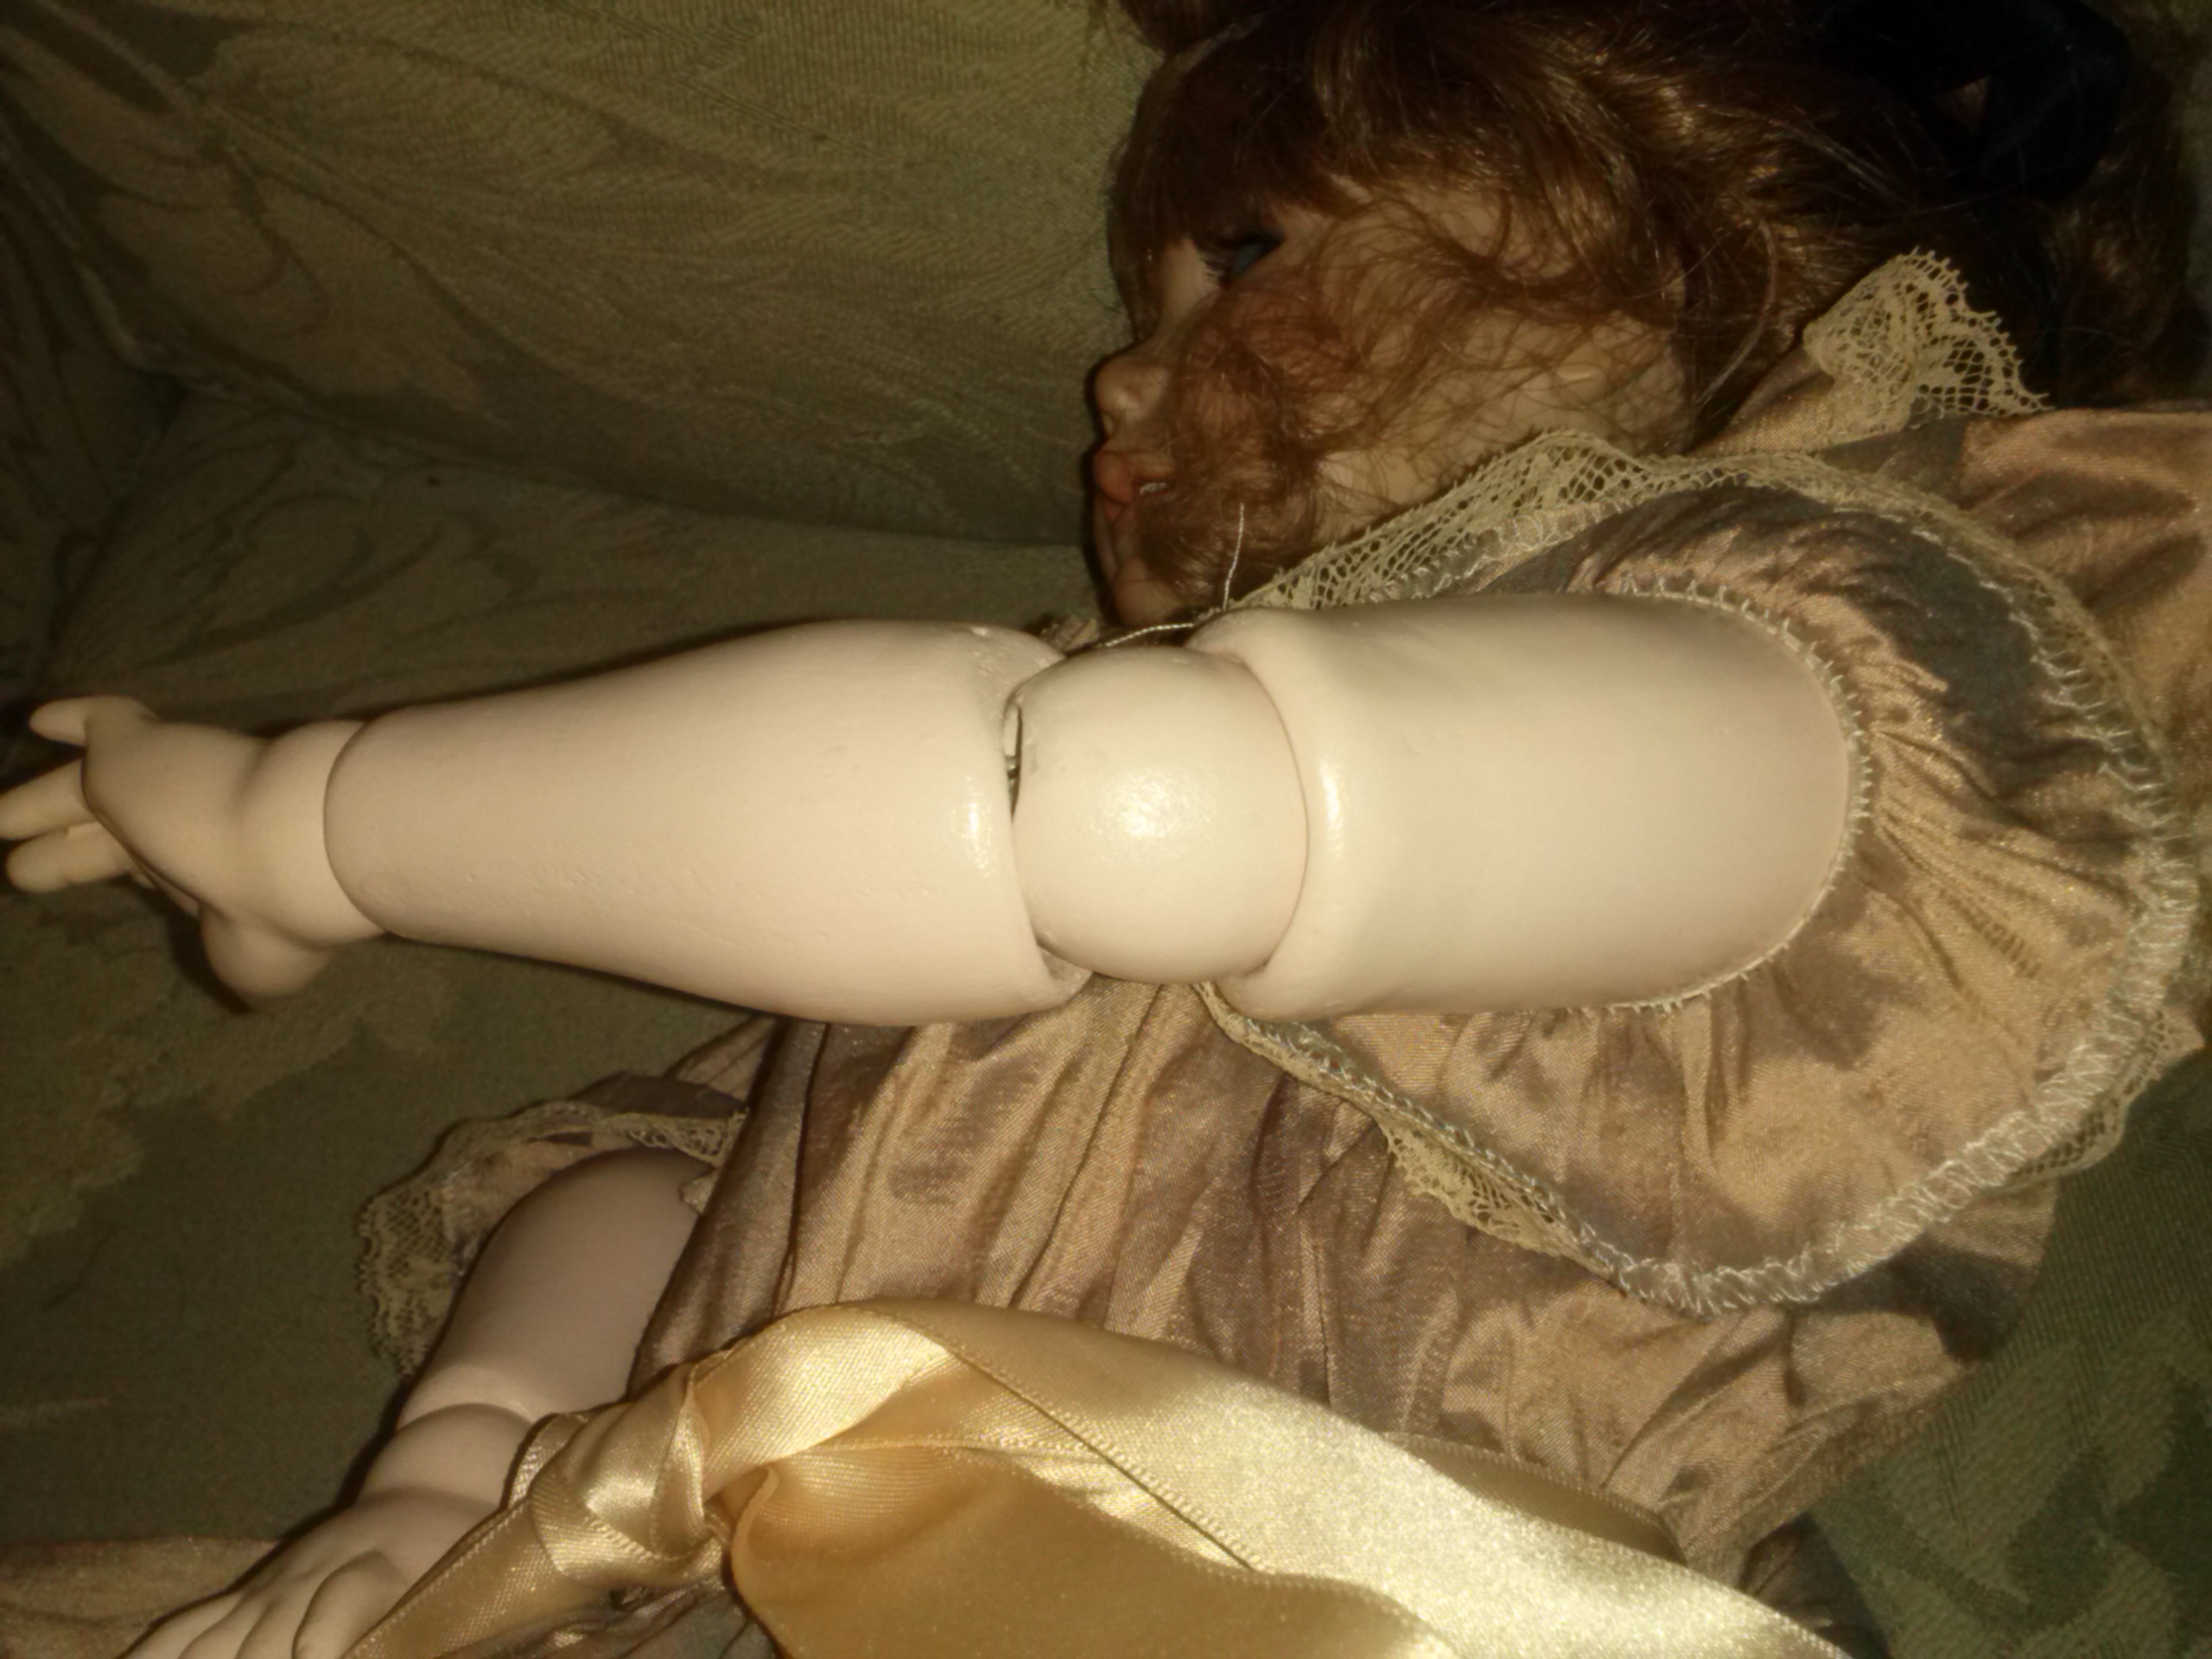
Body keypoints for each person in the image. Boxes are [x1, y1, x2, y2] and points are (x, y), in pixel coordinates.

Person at [2, 0, 2205, 1654]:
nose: (1112, 386)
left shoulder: (1816, 652)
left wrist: (317, 818)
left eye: (1244, 254)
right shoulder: (964, 896)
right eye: (1137, 310)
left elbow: (1120, 814)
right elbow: (666, 1196)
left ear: (1702, 257)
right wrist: (460, 1489)